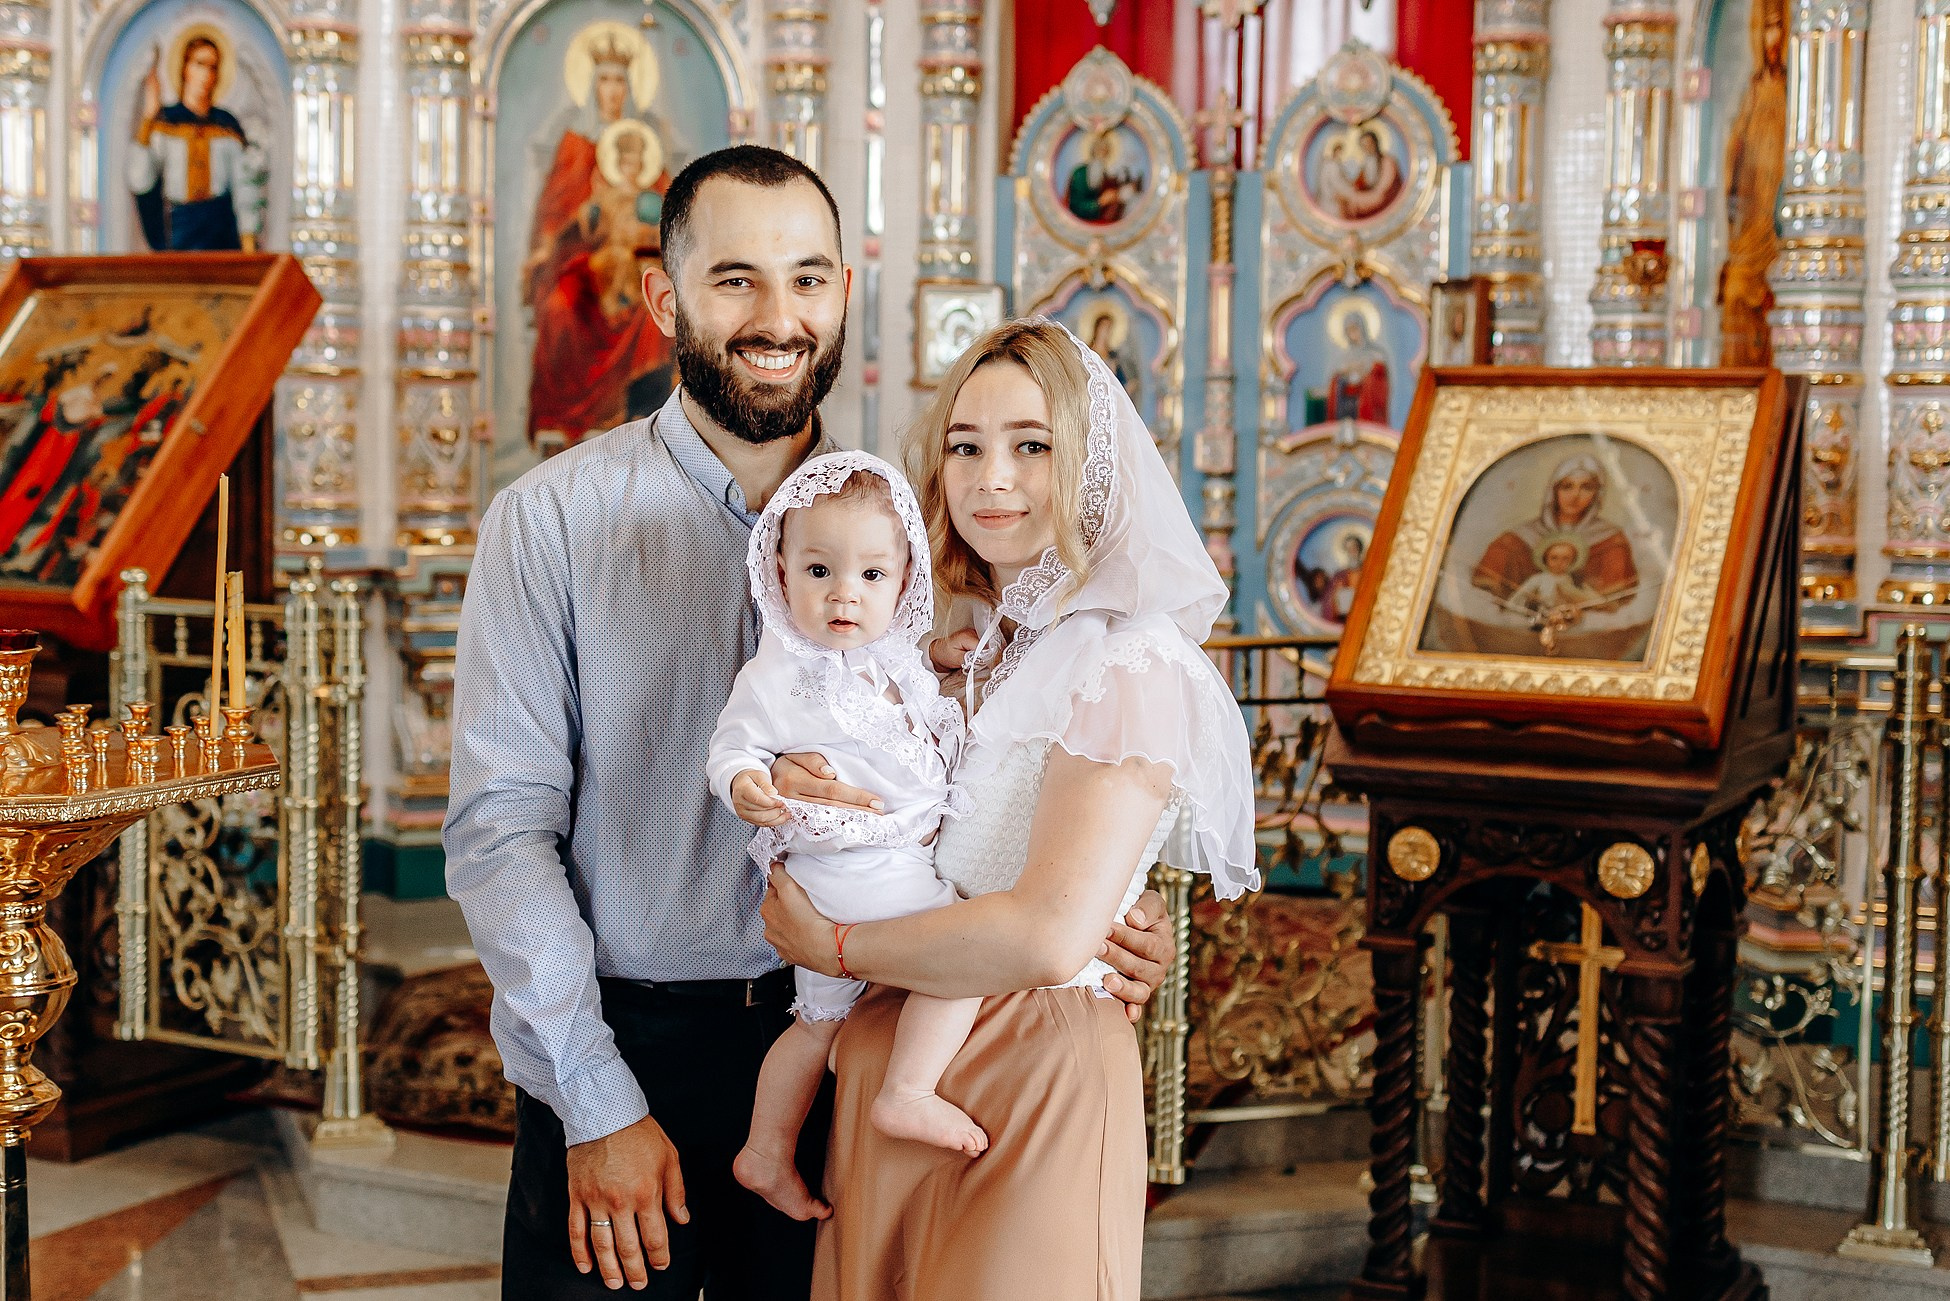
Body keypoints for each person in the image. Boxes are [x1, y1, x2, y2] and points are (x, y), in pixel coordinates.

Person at [444, 146, 1173, 1299]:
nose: (778, 317)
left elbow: (1026, 753)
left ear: (843, 293)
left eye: (810, 278)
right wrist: (592, 1096)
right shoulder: (552, 521)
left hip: (860, 1036)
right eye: (736, 279)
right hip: (636, 1047)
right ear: (663, 297)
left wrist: (1098, 921)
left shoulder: (925, 513)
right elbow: (500, 831)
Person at [760, 317, 1260, 1299]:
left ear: (1088, 464)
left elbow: (1044, 932)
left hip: (1031, 1078)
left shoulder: (1126, 658)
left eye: (1032, 445)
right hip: (899, 1063)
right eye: (966, 445)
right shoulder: (985, 644)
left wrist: (836, 946)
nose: (992, 478)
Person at [711, 452, 984, 1226]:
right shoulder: (777, 673)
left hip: (872, 865)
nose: (843, 595)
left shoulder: (889, 655)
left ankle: (765, 1149)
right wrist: (743, 783)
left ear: (904, 581)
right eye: (820, 570)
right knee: (964, 954)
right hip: (855, 865)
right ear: (780, 573)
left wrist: (939, 658)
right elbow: (733, 745)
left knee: (818, 1020)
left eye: (871, 576)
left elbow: (898, 688)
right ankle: (907, 1090)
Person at [128, 34, 262, 251]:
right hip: (180, 228)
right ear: (185, 69)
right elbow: (140, 180)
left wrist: (248, 240)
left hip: (220, 230)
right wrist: (148, 118)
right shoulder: (166, 123)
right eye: (199, 64)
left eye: (213, 67)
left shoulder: (226, 126)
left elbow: (244, 187)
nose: (206, 75)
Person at [1469, 453, 1638, 613]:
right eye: (1567, 486)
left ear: (1597, 494)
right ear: (1554, 490)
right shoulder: (1516, 539)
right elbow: (1486, 594)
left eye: (1586, 487)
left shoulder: (1612, 541)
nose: (1575, 495)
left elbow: (1616, 605)